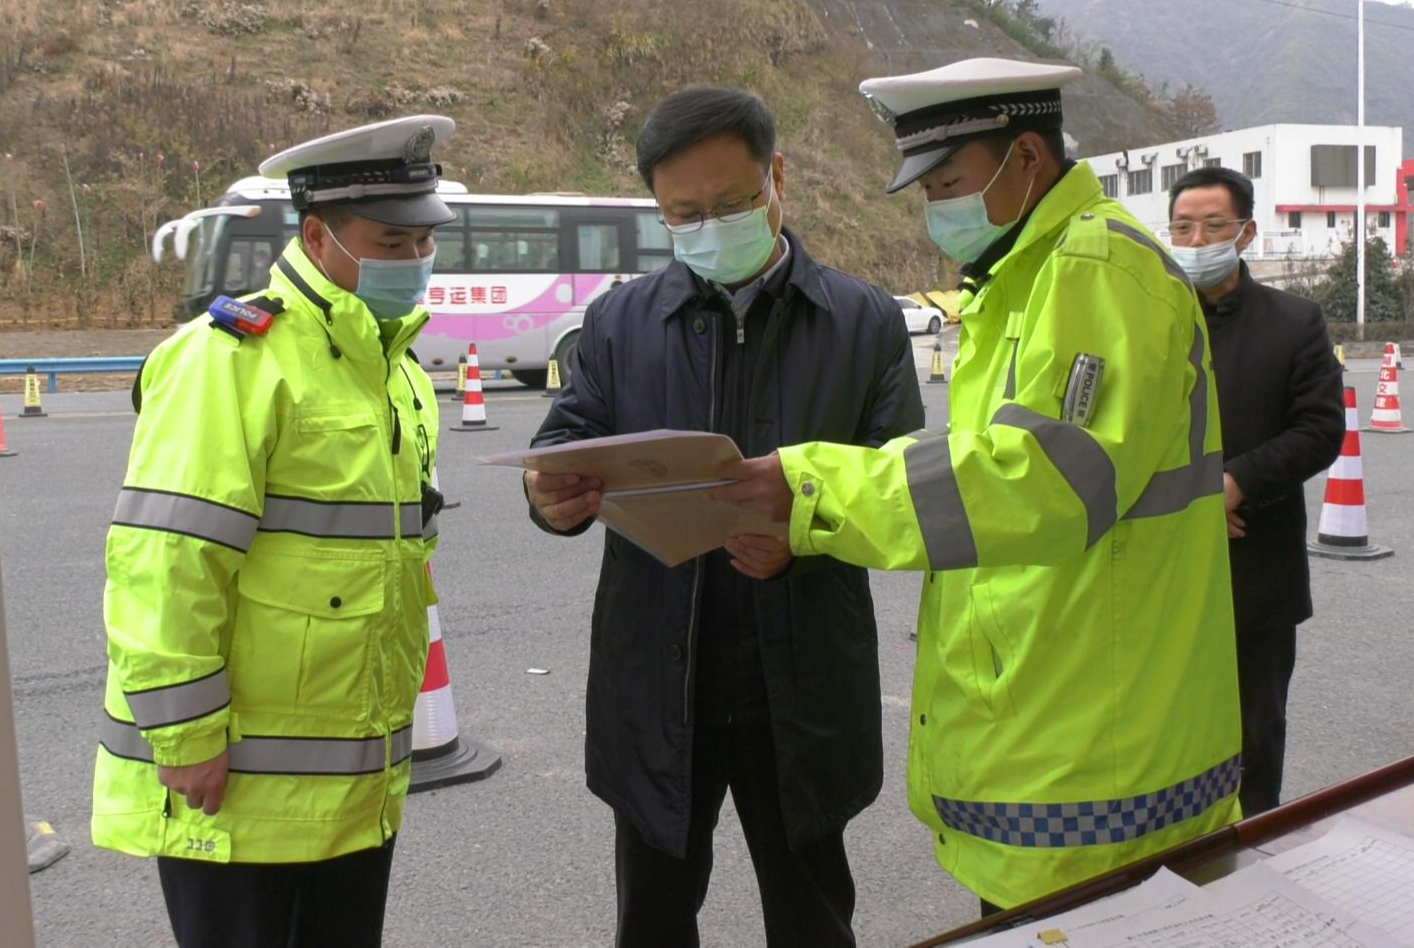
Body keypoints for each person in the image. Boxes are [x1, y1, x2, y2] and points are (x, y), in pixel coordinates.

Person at [714, 58, 1244, 913]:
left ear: (1027, 156)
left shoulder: (1096, 269)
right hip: (1061, 720)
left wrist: (811, 487)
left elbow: (1043, 480)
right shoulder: (1024, 276)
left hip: (1099, 754)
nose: (936, 210)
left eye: (950, 182)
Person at [524, 86, 924, 946]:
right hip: (661, 684)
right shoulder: (621, 320)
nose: (709, 226)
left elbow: (903, 483)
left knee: (813, 916)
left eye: (732, 203)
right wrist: (549, 499)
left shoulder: (863, 320)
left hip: (802, 683)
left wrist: (804, 533)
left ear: (777, 178)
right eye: (685, 213)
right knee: (655, 919)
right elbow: (566, 441)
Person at [92, 115, 455, 947]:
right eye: (392, 242)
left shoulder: (396, 371)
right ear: (319, 234)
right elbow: (167, 556)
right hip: (238, 780)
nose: (415, 261)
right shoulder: (230, 358)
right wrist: (182, 733)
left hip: (354, 783)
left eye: (424, 242)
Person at [1167, 165, 1345, 815]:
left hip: (1255, 576)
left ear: (1246, 233)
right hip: (1164, 573)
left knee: (1253, 742)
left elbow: (1321, 428)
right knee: (1163, 743)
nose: (1196, 238)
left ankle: (1252, 883)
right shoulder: (1147, 324)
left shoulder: (1293, 321)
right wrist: (1188, 499)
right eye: (1183, 226)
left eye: (1213, 225)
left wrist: (1236, 484)